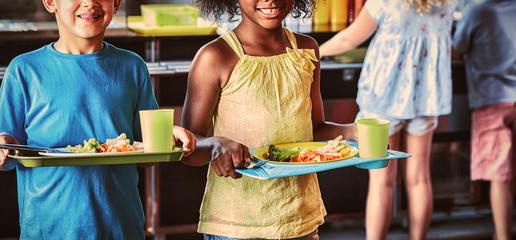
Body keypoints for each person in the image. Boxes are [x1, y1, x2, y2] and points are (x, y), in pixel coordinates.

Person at [0, 0, 197, 238]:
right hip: (48, 229)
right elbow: (4, 146)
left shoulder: (133, 67)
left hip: (120, 228)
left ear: (116, 3)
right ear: (50, 2)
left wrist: (170, 135)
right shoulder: (24, 69)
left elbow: (146, 153)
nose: (89, 3)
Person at [179, 0, 356, 239]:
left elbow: (313, 131)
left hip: (299, 219)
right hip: (237, 225)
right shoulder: (215, 56)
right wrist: (214, 145)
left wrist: (353, 132)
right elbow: (187, 148)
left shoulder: (306, 49)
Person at [319, 0, 456, 239]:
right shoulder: (448, 1)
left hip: (382, 100)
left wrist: (313, 51)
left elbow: (348, 40)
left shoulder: (385, 1)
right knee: (419, 179)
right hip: (424, 98)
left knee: (382, 182)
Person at [452, 1, 516, 239]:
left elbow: (456, 50)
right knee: (510, 174)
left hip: (491, 101)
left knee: (499, 175)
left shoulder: (477, 12)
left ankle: (503, 236)